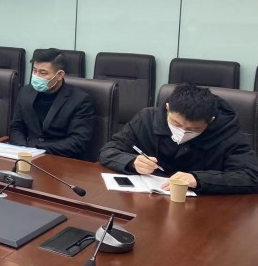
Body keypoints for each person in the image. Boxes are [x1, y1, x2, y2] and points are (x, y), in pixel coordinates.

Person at [100, 83, 258, 194]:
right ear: (168, 108)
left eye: (193, 129)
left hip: (203, 209)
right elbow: (108, 151)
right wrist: (131, 162)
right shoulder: (146, 119)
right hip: (149, 200)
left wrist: (198, 179)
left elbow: (251, 176)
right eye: (176, 124)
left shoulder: (227, 132)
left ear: (210, 121)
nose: (182, 132)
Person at [8, 48, 94, 160]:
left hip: (62, 160)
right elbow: (16, 127)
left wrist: (36, 148)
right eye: (34, 71)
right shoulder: (25, 92)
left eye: (43, 73)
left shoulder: (80, 100)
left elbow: (77, 142)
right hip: (26, 156)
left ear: (60, 75)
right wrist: (23, 148)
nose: (36, 76)